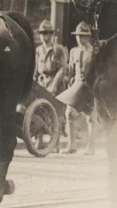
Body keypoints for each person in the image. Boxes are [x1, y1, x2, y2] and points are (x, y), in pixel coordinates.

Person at [62, 21, 96, 155]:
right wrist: (70, 83)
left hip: (90, 88)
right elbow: (71, 70)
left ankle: (91, 147)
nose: (79, 38)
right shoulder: (73, 51)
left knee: (91, 117)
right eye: (77, 35)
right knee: (69, 114)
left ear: (88, 37)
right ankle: (72, 146)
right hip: (76, 86)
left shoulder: (94, 51)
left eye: (82, 35)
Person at [34, 19, 67, 96]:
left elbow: (62, 70)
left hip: (55, 87)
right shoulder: (38, 50)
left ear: (51, 34)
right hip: (42, 84)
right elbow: (35, 70)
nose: (42, 36)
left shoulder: (58, 49)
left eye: (45, 33)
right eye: (41, 33)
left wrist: (54, 86)